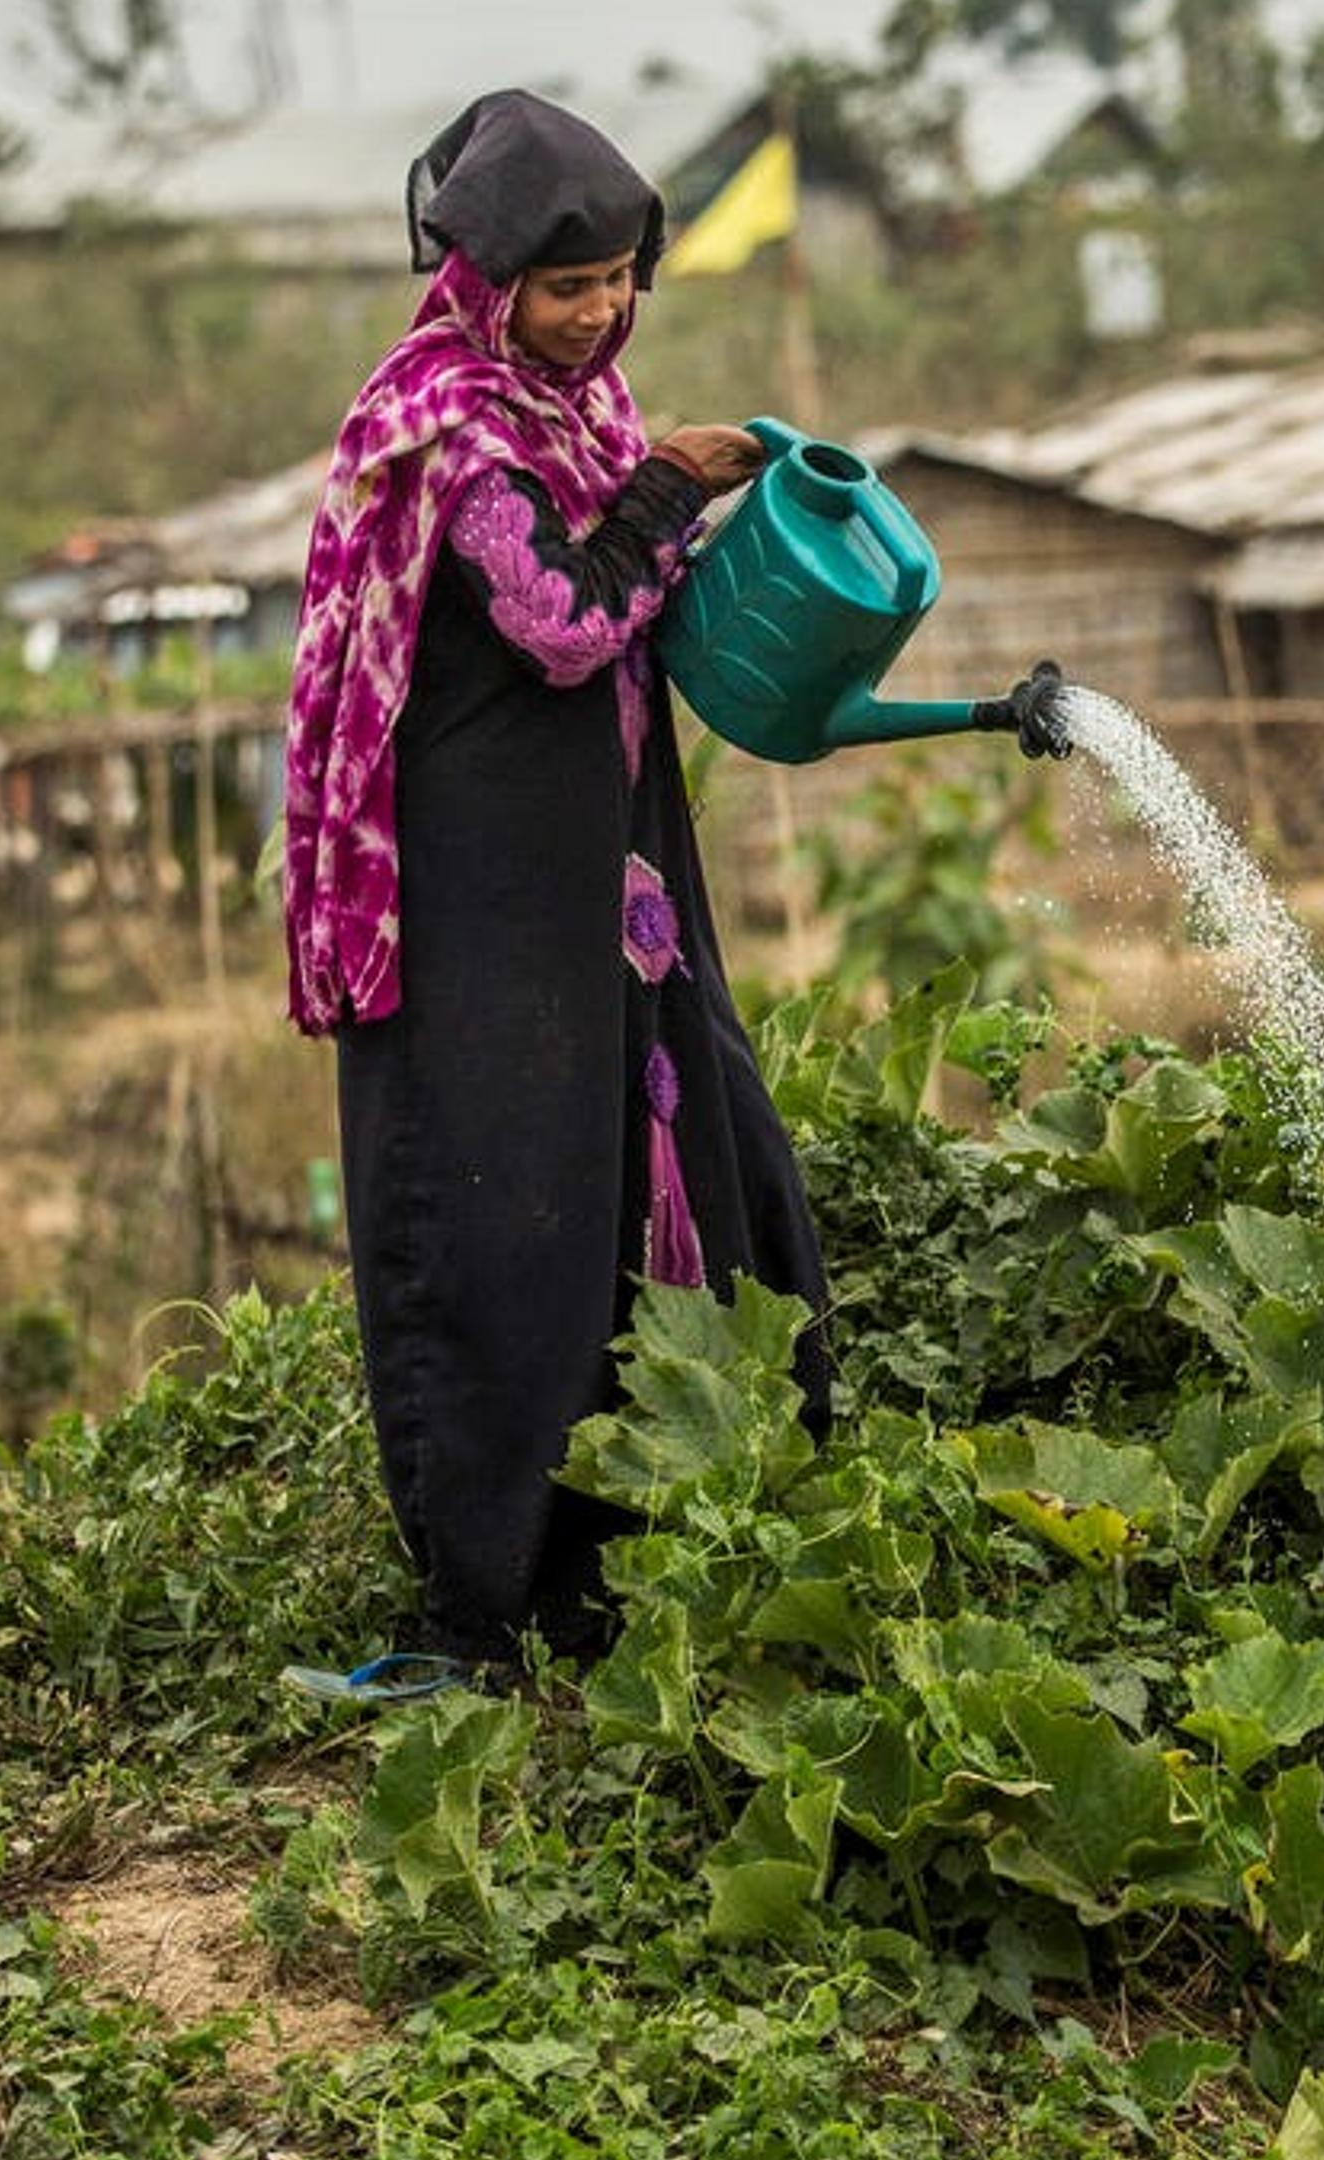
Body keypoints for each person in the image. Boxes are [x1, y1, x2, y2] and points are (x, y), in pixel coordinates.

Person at [278, 89, 832, 1682]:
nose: (598, 315)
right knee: (505, 1206)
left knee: (679, 1140)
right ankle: (486, 1602)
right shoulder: (442, 427)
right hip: (478, 898)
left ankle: (679, 1527)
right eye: (568, 287)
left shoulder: (580, 414)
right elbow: (564, 624)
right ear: (485, 280)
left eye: (618, 285)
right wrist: (664, 491)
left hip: (612, 881)